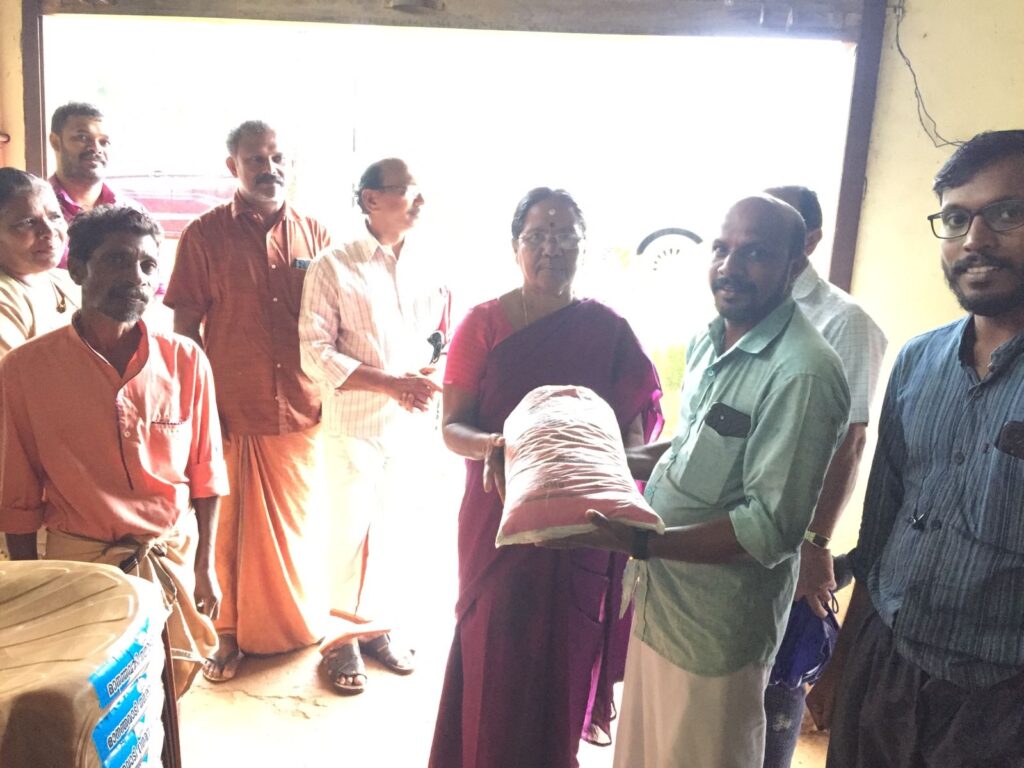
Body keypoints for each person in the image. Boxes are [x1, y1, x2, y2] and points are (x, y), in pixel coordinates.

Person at [561, 195, 850, 767]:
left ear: (796, 265)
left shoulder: (804, 372)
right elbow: (691, 444)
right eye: (722, 248)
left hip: (716, 633)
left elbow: (768, 529)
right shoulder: (711, 339)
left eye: (755, 254)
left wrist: (642, 543)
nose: (730, 266)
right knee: (645, 755)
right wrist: (610, 459)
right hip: (659, 602)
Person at [426, 187, 663, 767]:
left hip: (584, 531)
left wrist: (620, 470)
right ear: (515, 247)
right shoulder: (483, 324)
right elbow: (452, 427)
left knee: (564, 656)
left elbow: (636, 428)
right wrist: (497, 448)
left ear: (584, 247)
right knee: (496, 651)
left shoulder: (607, 329)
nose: (551, 248)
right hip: (500, 523)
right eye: (537, 235)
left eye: (565, 236)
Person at [826, 131, 1024, 767]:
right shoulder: (918, 361)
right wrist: (843, 663)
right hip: (888, 671)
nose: (975, 239)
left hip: (1002, 707)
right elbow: (883, 521)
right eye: (957, 218)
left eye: (1006, 213)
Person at [0, 205, 226, 697]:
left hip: (170, 556)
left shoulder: (186, 360)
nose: (136, 277)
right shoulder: (24, 371)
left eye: (148, 265)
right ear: (77, 269)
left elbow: (207, 473)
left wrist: (206, 565)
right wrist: (31, 587)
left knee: (168, 691)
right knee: (96, 701)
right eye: (117, 261)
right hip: (81, 565)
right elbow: (17, 493)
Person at [164, 120, 332, 683]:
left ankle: (296, 622)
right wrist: (193, 408)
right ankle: (227, 633)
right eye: (256, 158)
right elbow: (185, 328)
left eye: (278, 156)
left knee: (300, 528)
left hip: (303, 410)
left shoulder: (316, 235)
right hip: (230, 410)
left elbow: (336, 326)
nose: (269, 168)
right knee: (228, 531)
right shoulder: (203, 236)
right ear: (232, 165)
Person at [299, 157, 450, 694]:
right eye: (409, 192)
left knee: (392, 532)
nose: (420, 203)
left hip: (408, 425)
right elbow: (314, 354)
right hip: (355, 425)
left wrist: (430, 372)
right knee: (348, 533)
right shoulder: (332, 265)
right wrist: (390, 384)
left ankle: (376, 630)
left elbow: (438, 337)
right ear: (369, 199)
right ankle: (339, 643)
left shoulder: (429, 263)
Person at [759, 185, 887, 768]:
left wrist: (815, 543)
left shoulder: (845, 321)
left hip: (792, 540)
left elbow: (852, 438)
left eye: (766, 237)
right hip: (736, 531)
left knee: (777, 692)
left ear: (809, 241)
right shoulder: (751, 309)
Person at [47, 102, 139, 268]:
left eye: (104, 142)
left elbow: (156, 284)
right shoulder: (36, 212)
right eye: (82, 137)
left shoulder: (132, 212)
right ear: (55, 142)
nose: (95, 148)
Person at [0, 168, 79, 356]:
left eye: (55, 217)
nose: (50, 230)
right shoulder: (5, 300)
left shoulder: (70, 280)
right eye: (27, 222)